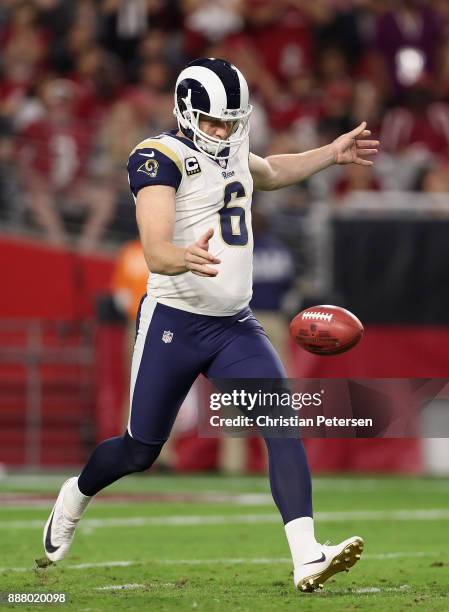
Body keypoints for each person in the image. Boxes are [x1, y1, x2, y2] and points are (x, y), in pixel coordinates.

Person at [43, 58, 379, 593]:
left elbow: (271, 172)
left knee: (282, 424)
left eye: (232, 121)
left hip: (233, 326)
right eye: (214, 122)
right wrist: (183, 257)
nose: (223, 131)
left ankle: (306, 555)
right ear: (185, 110)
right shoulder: (159, 156)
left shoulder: (235, 149)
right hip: (174, 322)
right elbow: (154, 249)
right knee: (139, 449)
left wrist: (329, 155)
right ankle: (75, 496)